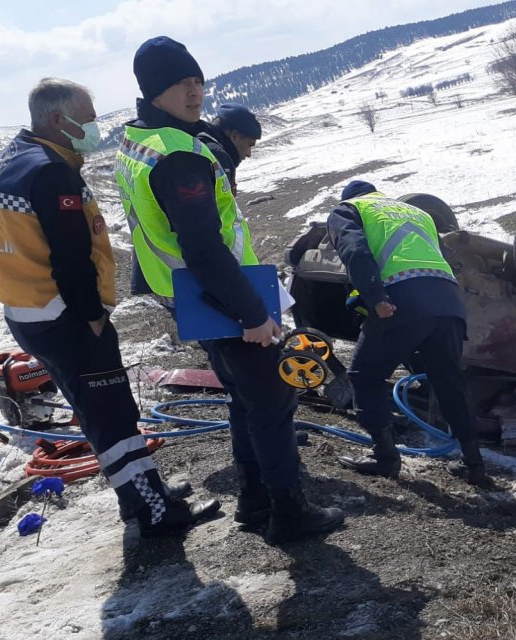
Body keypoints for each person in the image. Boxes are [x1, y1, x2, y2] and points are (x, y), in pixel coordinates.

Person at [115, 36, 342, 545]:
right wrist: (253, 312)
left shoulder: (139, 138)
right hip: (220, 296)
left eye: (198, 80)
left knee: (244, 397)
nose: (195, 92)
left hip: (192, 296)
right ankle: (288, 512)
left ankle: (255, 499)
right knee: (272, 399)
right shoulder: (178, 157)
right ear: (155, 89)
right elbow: (204, 247)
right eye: (181, 83)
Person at [0, 78, 218, 537]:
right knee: (112, 413)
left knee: (93, 409)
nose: (94, 128)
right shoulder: (50, 173)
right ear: (57, 121)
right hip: (65, 316)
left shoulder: (10, 161)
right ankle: (152, 509)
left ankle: (140, 493)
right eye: (87, 120)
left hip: (28, 311)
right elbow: (70, 256)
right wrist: (91, 315)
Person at [325, 180, 491, 487]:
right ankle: (474, 464)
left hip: (402, 299)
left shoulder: (348, 210)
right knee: (449, 380)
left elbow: (355, 250)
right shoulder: (416, 213)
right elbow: (445, 257)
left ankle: (385, 457)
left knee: (364, 376)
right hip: (448, 301)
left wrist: (374, 297)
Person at [197, 102, 260, 194]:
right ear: (235, 136)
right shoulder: (218, 157)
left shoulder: (202, 145)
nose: (249, 154)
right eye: (249, 145)